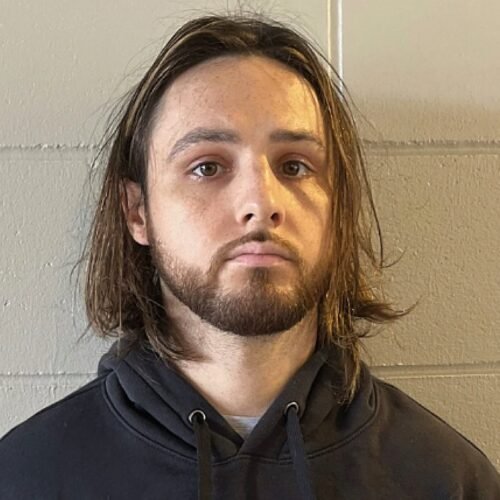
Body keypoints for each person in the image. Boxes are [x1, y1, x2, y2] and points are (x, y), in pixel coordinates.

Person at [0, 13, 498, 500]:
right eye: (207, 167)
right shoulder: (27, 478)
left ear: (337, 208)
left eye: (295, 166)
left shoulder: (447, 480)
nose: (261, 202)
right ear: (137, 212)